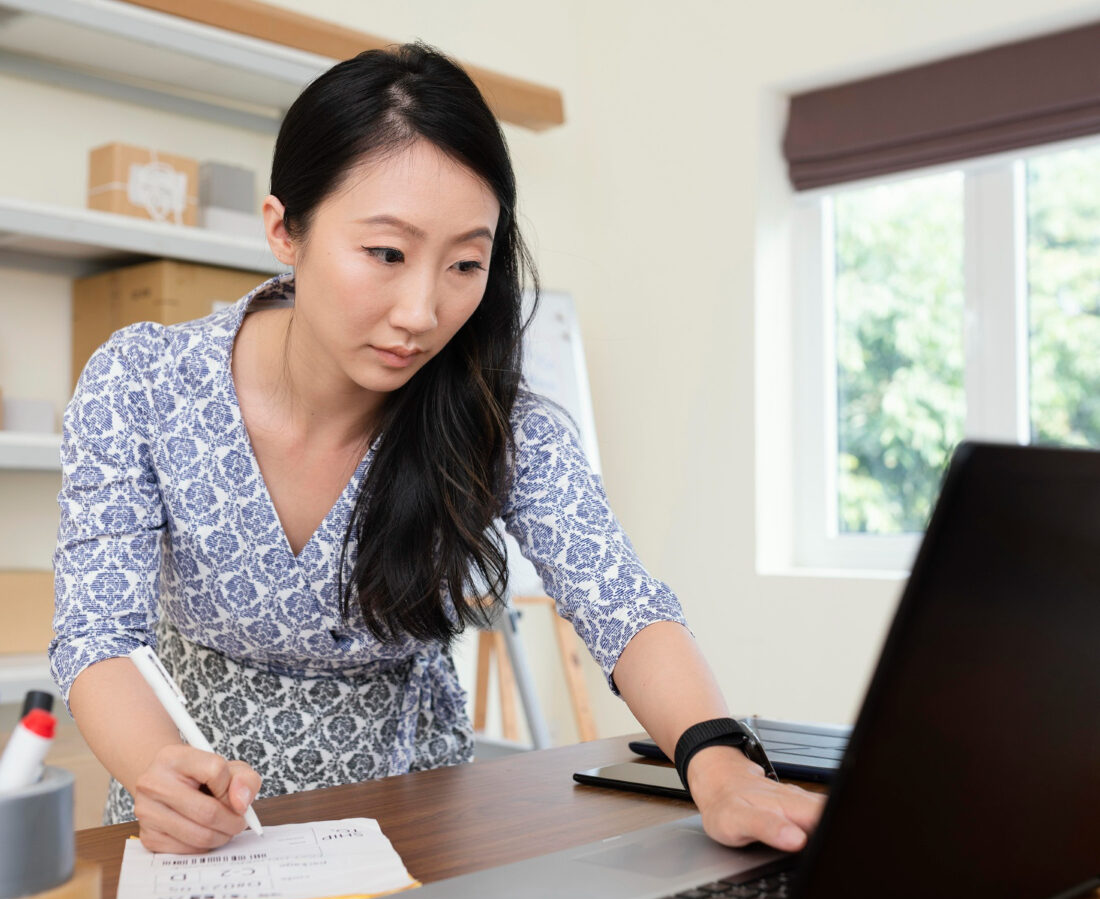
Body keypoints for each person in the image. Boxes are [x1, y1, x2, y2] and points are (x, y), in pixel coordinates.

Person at [50, 43, 823, 855]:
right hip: (197, 820)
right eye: (386, 253)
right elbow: (97, 635)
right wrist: (158, 769)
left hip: (414, 818)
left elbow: (623, 605)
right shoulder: (143, 383)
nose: (422, 311)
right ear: (285, 229)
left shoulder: (494, 419)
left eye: (464, 264)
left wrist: (720, 763)